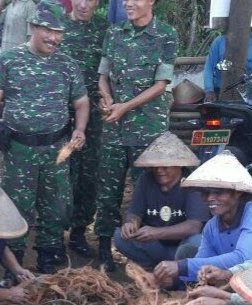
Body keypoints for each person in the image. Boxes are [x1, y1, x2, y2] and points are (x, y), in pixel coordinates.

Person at [0, 0, 90, 274]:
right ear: (32, 27)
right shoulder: (8, 61)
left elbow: (82, 102)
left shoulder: (67, 65)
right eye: (47, 30)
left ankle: (48, 257)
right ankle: (12, 264)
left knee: (56, 206)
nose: (53, 37)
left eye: (58, 32)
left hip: (57, 149)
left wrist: (80, 129)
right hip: (20, 151)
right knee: (15, 206)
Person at [94, 0, 178, 272]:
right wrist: (107, 99)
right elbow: (102, 75)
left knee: (149, 192)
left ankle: (146, 252)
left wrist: (124, 107)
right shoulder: (115, 33)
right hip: (114, 129)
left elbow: (160, 85)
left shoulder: (166, 34)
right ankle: (104, 249)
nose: (128, 3)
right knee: (108, 190)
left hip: (148, 129)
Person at [152, 150, 252, 286]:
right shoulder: (212, 226)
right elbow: (203, 262)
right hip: (233, 283)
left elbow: (244, 257)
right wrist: (169, 279)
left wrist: (182, 267)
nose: (210, 198)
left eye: (218, 193)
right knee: (186, 253)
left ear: (237, 193)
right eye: (205, 193)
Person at [113, 132, 209, 270]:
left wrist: (156, 232)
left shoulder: (192, 182)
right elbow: (135, 212)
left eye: (165, 166)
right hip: (156, 246)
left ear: (179, 165)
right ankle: (153, 268)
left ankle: (182, 273)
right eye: (156, 166)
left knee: (196, 242)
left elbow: (194, 226)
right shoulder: (146, 179)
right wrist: (131, 223)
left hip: (182, 246)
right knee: (119, 237)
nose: (159, 170)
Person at [59, 0, 108, 258]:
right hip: (60, 116)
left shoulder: (105, 31)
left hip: (94, 119)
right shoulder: (58, 28)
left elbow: (112, 69)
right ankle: (54, 234)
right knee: (59, 175)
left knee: (89, 176)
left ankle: (78, 232)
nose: (84, 4)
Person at [203, 33, 252, 103]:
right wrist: (209, 91)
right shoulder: (219, 41)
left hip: (245, 91)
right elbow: (209, 67)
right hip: (220, 89)